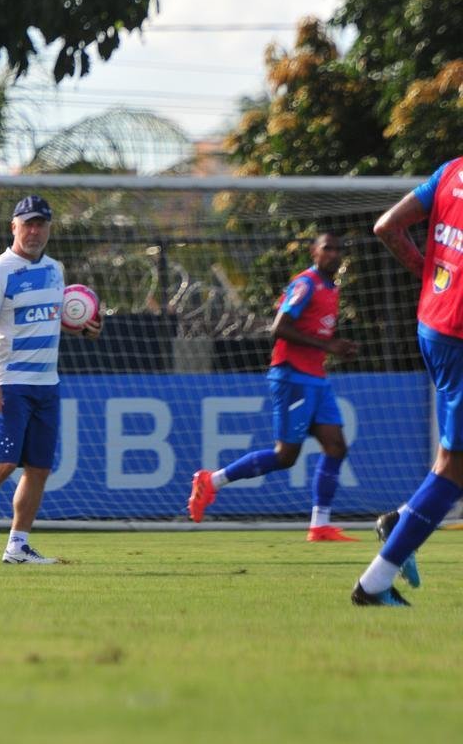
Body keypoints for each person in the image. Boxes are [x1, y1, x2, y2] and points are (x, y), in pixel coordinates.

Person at [0, 195, 101, 566]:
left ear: (49, 228)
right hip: (10, 382)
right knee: (2, 463)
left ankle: (18, 544)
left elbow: (50, 317)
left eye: (40, 224)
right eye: (27, 224)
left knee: (39, 468)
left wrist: (83, 328)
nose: (34, 231)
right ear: (13, 227)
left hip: (47, 383)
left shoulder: (55, 269)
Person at [187, 233, 361, 541]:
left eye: (338, 250)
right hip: (293, 376)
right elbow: (279, 328)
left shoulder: (331, 287)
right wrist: (329, 345)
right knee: (285, 456)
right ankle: (210, 481)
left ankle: (320, 524)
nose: (334, 254)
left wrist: (335, 347)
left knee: (336, 446)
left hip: (316, 378)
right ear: (314, 252)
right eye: (327, 248)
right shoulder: (306, 284)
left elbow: (315, 332)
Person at [351, 158, 463, 606]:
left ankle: (401, 520)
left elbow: (386, 227)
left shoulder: (452, 171)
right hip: (460, 336)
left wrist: (430, 275)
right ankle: (373, 584)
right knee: (455, 468)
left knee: (451, 460)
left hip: (434, 325)